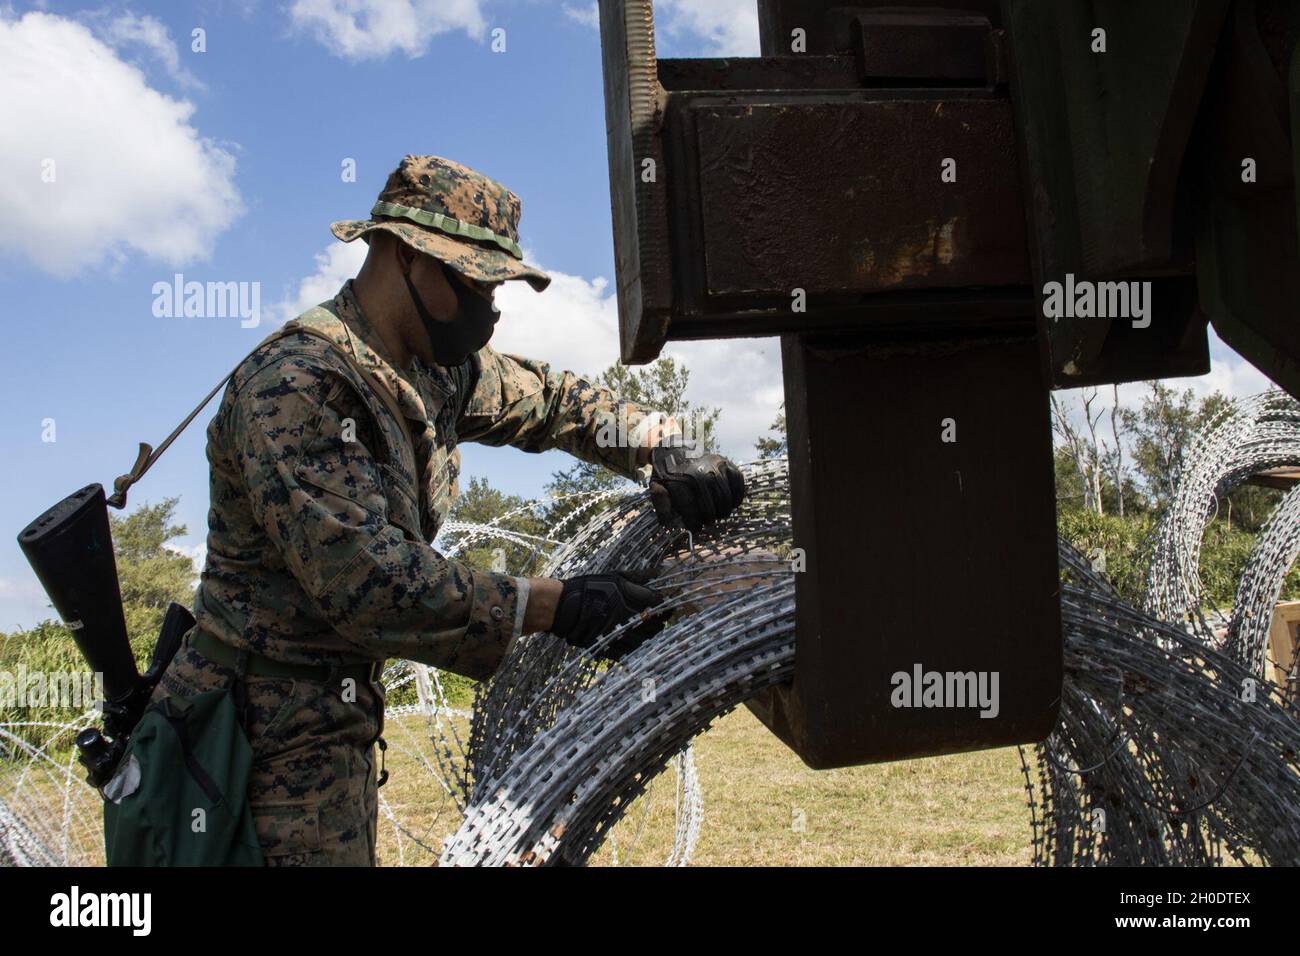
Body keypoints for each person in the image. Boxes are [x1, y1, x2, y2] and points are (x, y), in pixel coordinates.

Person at [150, 155, 745, 865]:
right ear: (406, 256)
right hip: (253, 739)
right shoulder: (302, 388)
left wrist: (660, 443)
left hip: (329, 722)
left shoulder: (428, 367)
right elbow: (375, 587)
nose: (491, 307)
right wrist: (562, 606)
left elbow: (552, 400)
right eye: (477, 281)